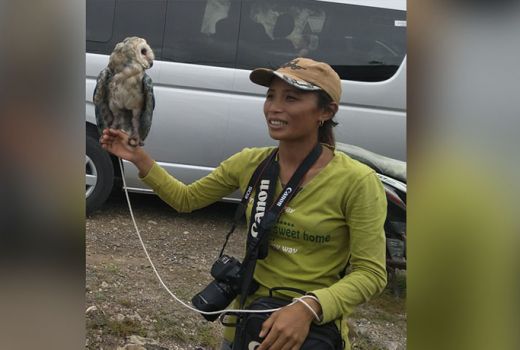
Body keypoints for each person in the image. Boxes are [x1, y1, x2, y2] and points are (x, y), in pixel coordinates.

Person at [100, 57, 387, 350]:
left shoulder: (358, 182)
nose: (274, 107)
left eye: (291, 98)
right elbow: (186, 200)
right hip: (246, 323)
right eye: (270, 96)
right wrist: (138, 156)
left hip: (312, 331)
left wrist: (309, 307)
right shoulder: (251, 163)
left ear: (326, 111)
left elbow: (371, 273)